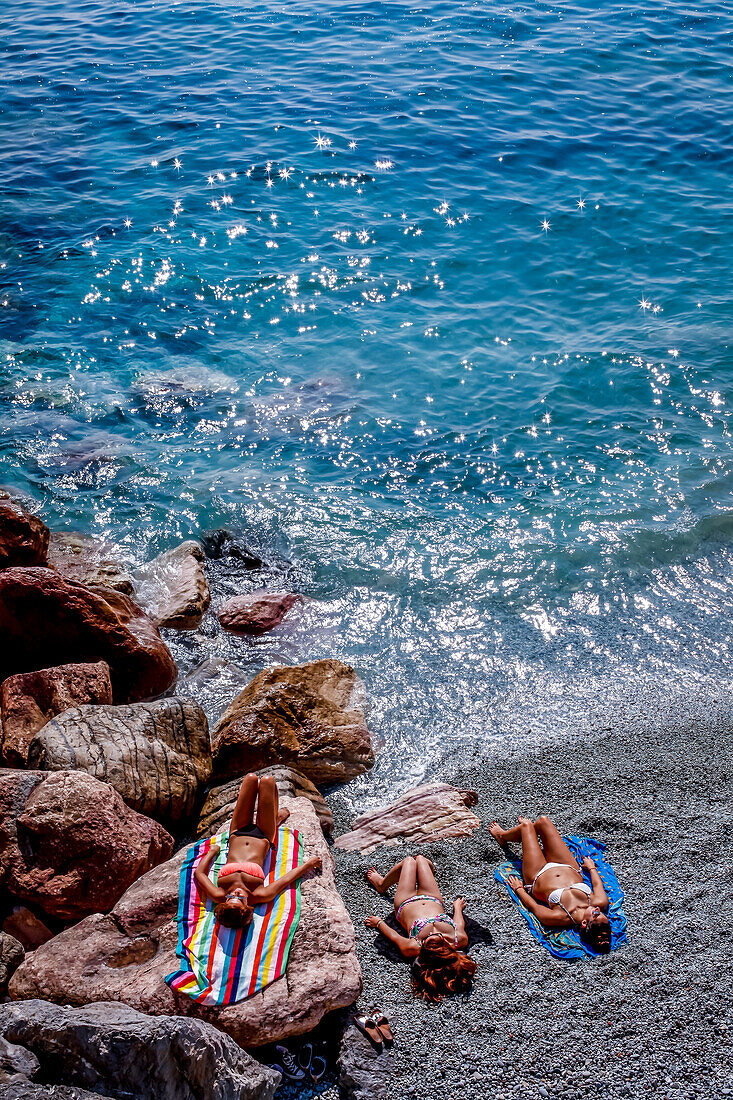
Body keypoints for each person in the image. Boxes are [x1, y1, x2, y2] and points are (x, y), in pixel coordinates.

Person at [193, 773, 322, 929]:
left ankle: (277, 818)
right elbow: (286, 879)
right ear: (247, 908)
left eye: (230, 897)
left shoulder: (218, 894)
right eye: (240, 898)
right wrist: (309, 864)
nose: (235, 893)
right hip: (264, 835)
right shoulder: (260, 894)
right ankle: (276, 819)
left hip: (237, 832)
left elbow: (199, 874)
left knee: (251, 778)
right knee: (267, 781)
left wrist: (212, 852)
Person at [490, 815, 612, 953]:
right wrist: (591, 868)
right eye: (601, 913)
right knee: (543, 821)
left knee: (526, 825)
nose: (597, 909)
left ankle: (503, 836)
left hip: (537, 874)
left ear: (584, 923)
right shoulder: (600, 902)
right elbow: (597, 884)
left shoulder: (559, 917)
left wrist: (519, 889)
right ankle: (525, 835)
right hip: (567, 866)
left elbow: (534, 907)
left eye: (596, 914)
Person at [364, 855, 477, 1001]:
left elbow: (394, 936)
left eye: (426, 939)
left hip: (406, 901)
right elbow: (459, 924)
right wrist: (457, 909)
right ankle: (421, 873)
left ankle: (382, 884)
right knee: (422, 860)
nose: (430, 935)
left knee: (409, 861)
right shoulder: (459, 940)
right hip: (432, 898)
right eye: (434, 938)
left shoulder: (414, 947)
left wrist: (378, 923)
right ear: (446, 946)